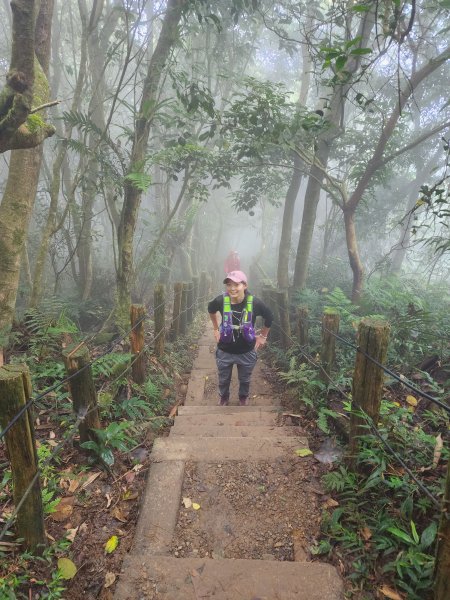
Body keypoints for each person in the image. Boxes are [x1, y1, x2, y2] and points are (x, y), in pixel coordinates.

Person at [208, 270, 273, 406]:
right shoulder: (220, 300)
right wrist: (215, 329)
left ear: (245, 285)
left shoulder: (254, 303)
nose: (232, 288)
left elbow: (269, 316)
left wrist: (263, 336)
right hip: (225, 350)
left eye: (236, 284)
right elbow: (211, 309)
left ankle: (243, 397)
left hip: (247, 351)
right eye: (229, 285)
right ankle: (224, 397)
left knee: (245, 379)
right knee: (223, 379)